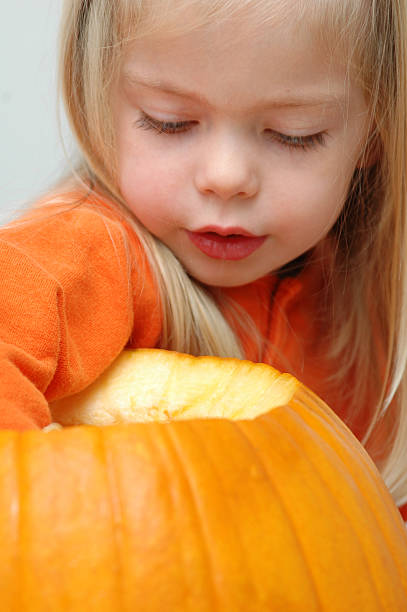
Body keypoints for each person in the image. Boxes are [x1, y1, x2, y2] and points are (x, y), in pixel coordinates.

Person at [1, 0, 406, 520]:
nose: (227, 176)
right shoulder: (94, 251)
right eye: (171, 123)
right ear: (100, 97)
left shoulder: (369, 308)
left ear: (374, 132)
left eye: (294, 133)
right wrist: (32, 513)